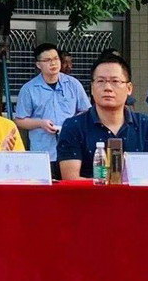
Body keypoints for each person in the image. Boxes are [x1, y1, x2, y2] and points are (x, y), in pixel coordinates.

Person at [58, 55, 148, 179]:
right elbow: (71, 179)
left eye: (115, 81)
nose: (107, 88)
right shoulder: (73, 125)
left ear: (129, 88)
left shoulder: (145, 125)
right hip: (89, 192)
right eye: (100, 81)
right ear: (92, 88)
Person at [15, 43, 91, 179]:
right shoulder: (29, 89)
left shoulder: (73, 84)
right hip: (43, 151)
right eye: (47, 60)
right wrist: (40, 123)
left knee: (71, 188)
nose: (53, 63)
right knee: (45, 189)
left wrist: (70, 124)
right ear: (38, 65)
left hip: (72, 150)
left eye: (56, 58)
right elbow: (20, 121)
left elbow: (87, 112)